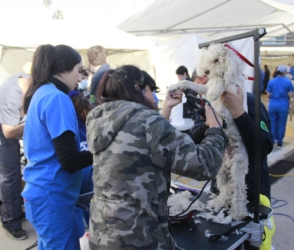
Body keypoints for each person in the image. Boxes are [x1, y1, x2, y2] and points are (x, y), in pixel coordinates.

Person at [86, 65, 228, 249]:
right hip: (138, 237)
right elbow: (205, 164)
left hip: (103, 233)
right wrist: (215, 128)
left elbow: (142, 141)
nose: (154, 96)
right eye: (150, 90)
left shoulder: (100, 117)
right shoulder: (148, 122)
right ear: (138, 88)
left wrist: (166, 109)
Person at [22, 44, 93, 249]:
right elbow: (70, 161)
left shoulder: (41, 92)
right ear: (63, 69)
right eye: (78, 70)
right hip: (52, 197)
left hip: (41, 193)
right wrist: (105, 150)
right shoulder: (57, 98)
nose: (80, 77)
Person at [190, 86, 273, 203]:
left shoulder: (249, 102)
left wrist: (238, 112)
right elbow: (193, 140)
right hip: (220, 186)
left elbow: (263, 149)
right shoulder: (209, 105)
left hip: (252, 189)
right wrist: (209, 123)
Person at [0, 74, 30, 240]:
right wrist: (36, 121)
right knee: (11, 177)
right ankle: (11, 222)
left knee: (15, 175)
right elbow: (9, 131)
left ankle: (15, 211)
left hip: (5, 136)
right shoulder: (11, 94)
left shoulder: (25, 82)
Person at [68, 90, 94, 229]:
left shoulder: (67, 121)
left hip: (79, 172)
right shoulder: (90, 118)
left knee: (81, 207)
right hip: (94, 169)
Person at [267, 65, 294, 148]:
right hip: (283, 105)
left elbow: (268, 95)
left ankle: (272, 140)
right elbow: (290, 95)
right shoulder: (288, 82)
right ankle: (280, 142)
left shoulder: (271, 82)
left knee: (272, 123)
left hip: (273, 104)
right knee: (281, 124)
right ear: (285, 72)